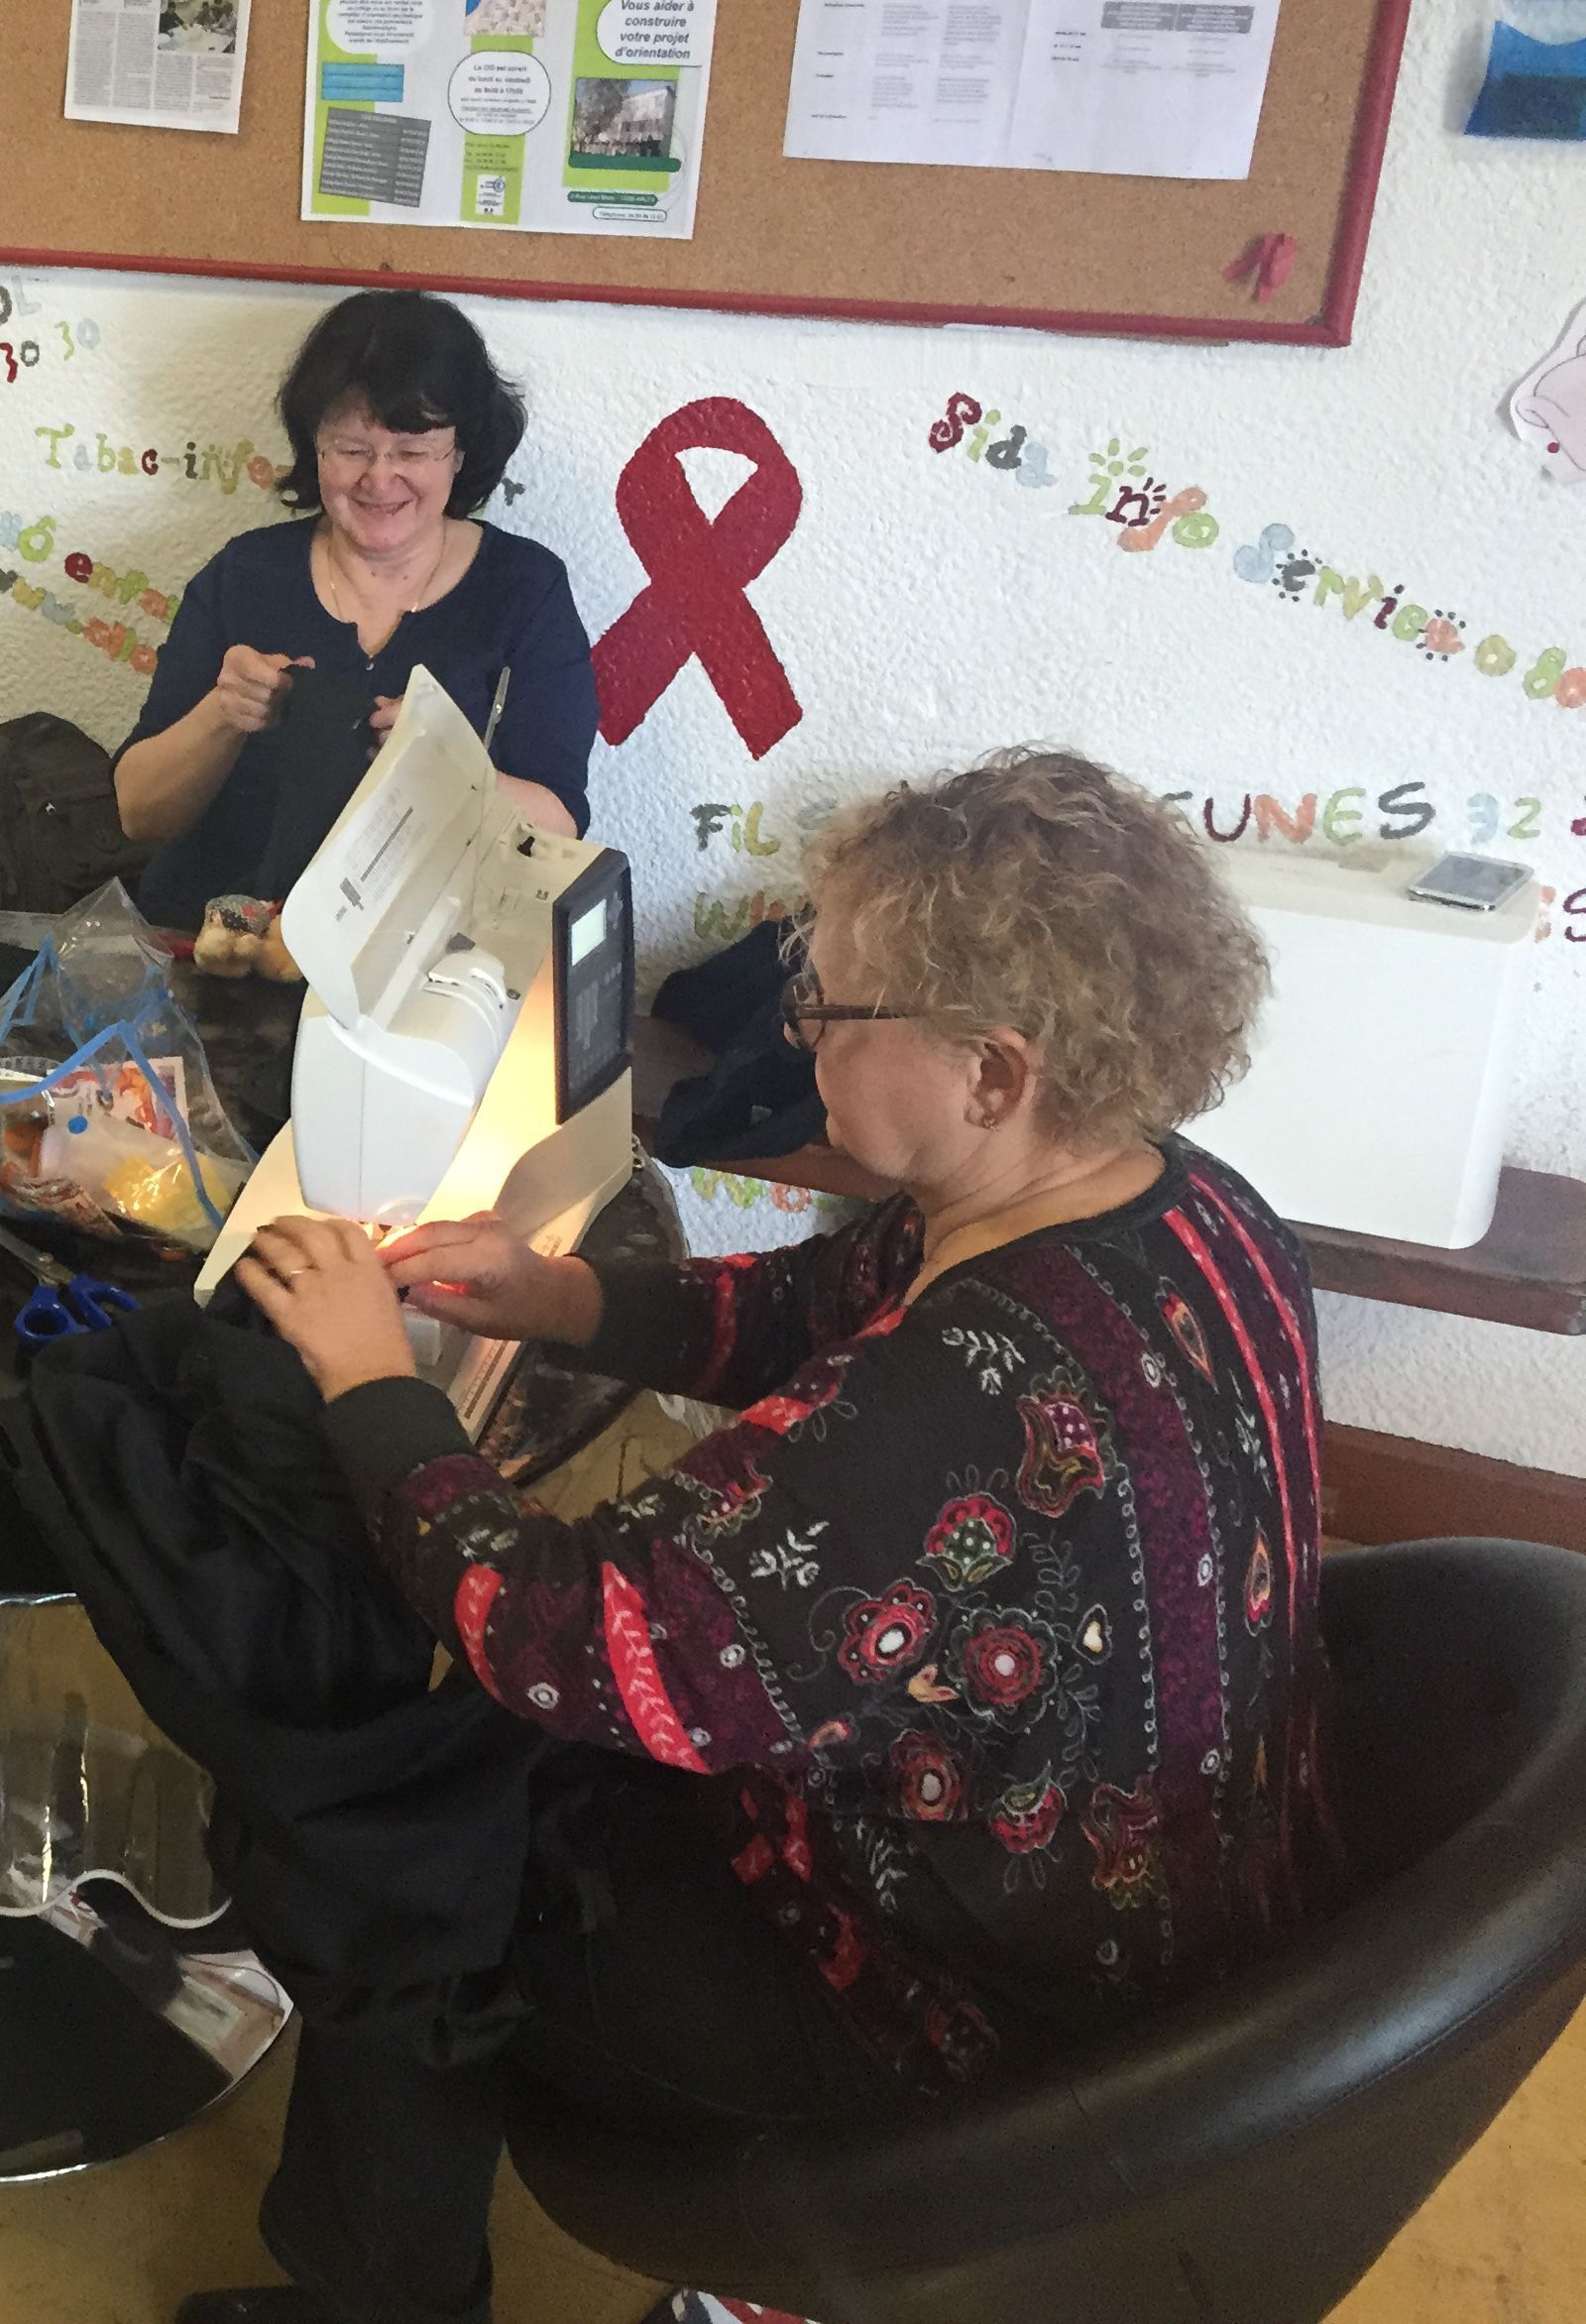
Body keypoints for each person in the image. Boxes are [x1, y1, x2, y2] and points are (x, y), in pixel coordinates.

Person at [181, 751, 1339, 2324]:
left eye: (832, 1008)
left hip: (978, 2034)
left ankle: (373, 2301)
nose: (797, 1033)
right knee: (440, 1790)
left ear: (992, 1072)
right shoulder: (1186, 1204)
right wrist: (559, 1295)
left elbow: (586, 1646)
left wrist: (372, 1384)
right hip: (1182, 1918)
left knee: (393, 1840)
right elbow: (818, 1304)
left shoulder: (961, 1405)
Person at [112, 290, 600, 929]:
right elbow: (137, 813)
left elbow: (559, 828)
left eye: (412, 451)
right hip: (216, 945)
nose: (379, 478)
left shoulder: (524, 589)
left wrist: (445, 765)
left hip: (426, 954)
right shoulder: (246, 574)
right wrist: (222, 716)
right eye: (351, 448)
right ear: (314, 446)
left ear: (460, 453)